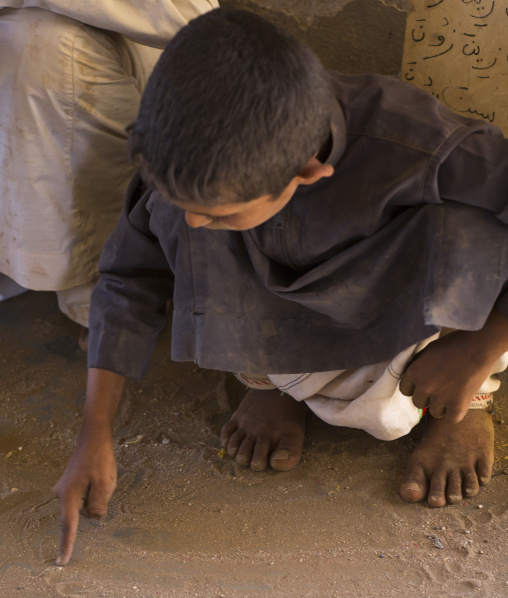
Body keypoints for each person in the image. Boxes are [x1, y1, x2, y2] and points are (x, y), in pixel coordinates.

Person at [54, 7, 508, 565]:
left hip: (395, 291)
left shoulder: (421, 144)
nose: (195, 228)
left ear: (307, 173)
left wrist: (477, 348)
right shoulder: (183, 163)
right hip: (284, 293)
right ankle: (267, 382)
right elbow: (128, 278)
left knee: (475, 219)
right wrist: (94, 431)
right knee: (170, 216)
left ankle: (471, 400)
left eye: (221, 213)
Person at [0, 0, 217, 330]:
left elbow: (189, 15)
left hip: (126, 49)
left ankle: (109, 281)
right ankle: (18, 255)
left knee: (48, 44)